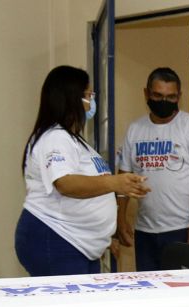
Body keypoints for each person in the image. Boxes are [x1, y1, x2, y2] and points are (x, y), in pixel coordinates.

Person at [15, 65, 150, 277]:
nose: (92, 100)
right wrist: (115, 183)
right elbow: (65, 184)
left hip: (78, 244)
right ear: (71, 98)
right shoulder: (55, 138)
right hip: (57, 239)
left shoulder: (73, 139)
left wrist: (103, 235)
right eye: (88, 94)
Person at [117, 67, 189, 271]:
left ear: (179, 96)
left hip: (181, 228)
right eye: (158, 95)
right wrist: (120, 219)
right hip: (145, 230)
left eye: (171, 97)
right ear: (146, 94)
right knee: (149, 291)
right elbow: (123, 178)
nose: (164, 102)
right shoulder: (135, 129)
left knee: (182, 292)